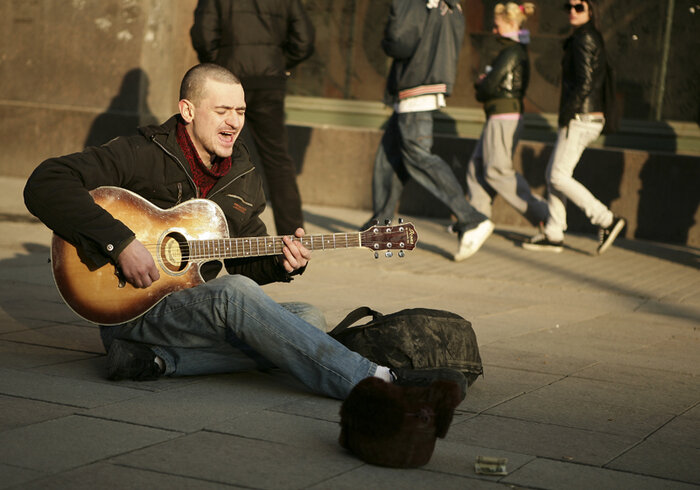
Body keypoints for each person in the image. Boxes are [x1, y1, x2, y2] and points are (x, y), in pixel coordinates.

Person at [23, 63, 467, 400]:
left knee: (306, 318)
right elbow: (45, 183)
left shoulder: (243, 174)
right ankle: (373, 381)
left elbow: (243, 263)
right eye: (222, 110)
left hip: (188, 310)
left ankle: (159, 363)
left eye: (239, 111)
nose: (234, 122)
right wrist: (120, 243)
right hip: (128, 309)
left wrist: (280, 261)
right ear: (188, 110)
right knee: (238, 297)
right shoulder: (143, 152)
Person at [364, 0, 495, 262]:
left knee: (418, 157)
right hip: (426, 82)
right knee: (389, 157)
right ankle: (381, 227)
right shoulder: (451, 5)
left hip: (416, 84)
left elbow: (399, 40)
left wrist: (391, 25)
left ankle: (471, 218)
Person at [190, 0, 314, 236]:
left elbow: (203, 35)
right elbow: (304, 40)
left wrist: (220, 67)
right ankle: (294, 237)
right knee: (277, 159)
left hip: (226, 81)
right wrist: (276, 63)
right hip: (269, 82)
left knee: (212, 152)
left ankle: (202, 230)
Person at [523, 0, 625, 254]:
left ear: (591, 11)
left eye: (579, 7)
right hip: (583, 117)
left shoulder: (585, 38)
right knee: (553, 175)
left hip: (582, 117)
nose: (572, 11)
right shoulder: (584, 36)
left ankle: (606, 220)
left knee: (558, 175)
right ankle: (554, 233)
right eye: (568, 7)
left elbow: (585, 82)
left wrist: (569, 112)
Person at [466, 2, 548, 229]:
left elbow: (490, 85)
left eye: (497, 25)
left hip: (504, 117)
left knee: (496, 171)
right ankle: (477, 220)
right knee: (477, 167)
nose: (493, 30)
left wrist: (482, 85)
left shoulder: (512, 51)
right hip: (500, 115)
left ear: (511, 24)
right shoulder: (511, 50)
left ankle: (544, 214)